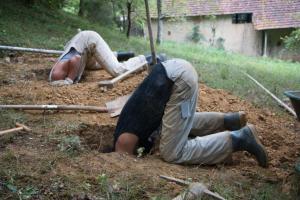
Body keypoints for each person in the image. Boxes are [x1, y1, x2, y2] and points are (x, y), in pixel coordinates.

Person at [114, 58, 268, 167]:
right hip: (176, 70)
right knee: (166, 127)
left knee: (171, 152)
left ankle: (240, 139)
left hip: (178, 81)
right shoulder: (129, 126)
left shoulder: (123, 141)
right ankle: (229, 121)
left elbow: (125, 155)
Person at [49, 30, 147, 85]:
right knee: (95, 65)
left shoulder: (56, 75)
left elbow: (76, 59)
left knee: (117, 71)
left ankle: (145, 59)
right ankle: (121, 55)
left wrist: (69, 80)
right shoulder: (56, 75)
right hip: (82, 47)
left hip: (90, 40)